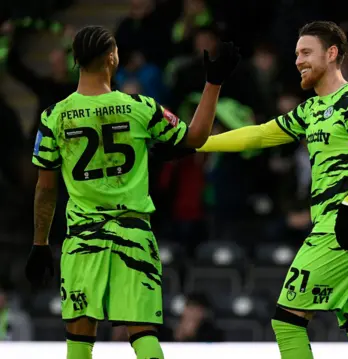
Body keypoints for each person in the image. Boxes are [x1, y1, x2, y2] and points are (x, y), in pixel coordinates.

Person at [24, 25, 240, 359]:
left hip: (83, 241)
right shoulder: (140, 107)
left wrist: (40, 243)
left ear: (76, 61)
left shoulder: (53, 117)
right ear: (112, 57)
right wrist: (213, 84)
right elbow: (195, 138)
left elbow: (45, 189)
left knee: (79, 341)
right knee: (142, 335)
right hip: (133, 236)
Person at [196, 21, 348, 359]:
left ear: (332, 54)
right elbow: (259, 135)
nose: (298, 60)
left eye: (306, 52)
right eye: (295, 54)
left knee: (287, 321)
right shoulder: (311, 109)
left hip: (344, 225)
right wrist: (197, 144)